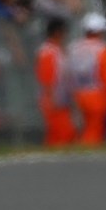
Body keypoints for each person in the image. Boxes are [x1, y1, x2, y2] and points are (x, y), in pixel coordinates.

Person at [68, 12, 106, 145]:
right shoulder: (102, 50)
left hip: (76, 94)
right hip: (97, 95)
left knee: (79, 129)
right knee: (95, 129)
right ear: (99, 31)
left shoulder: (73, 47)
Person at [35, 17, 76, 146]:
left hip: (62, 99)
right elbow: (46, 78)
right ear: (58, 32)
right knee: (61, 134)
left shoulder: (59, 50)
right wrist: (52, 99)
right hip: (53, 100)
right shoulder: (48, 52)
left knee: (62, 134)